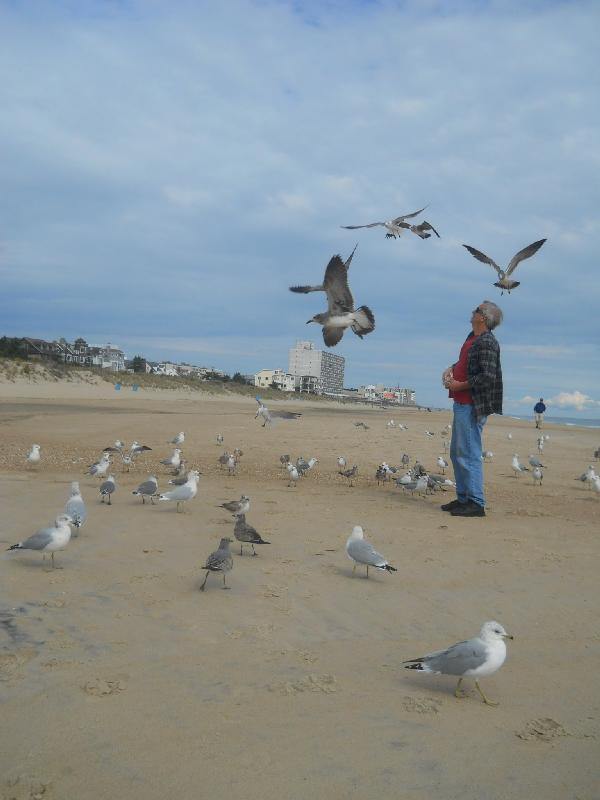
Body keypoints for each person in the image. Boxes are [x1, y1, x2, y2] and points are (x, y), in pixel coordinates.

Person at [441, 301, 503, 517]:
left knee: (469, 453)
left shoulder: (487, 342)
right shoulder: (472, 337)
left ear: (483, 318)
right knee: (457, 452)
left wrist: (460, 384)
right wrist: (451, 370)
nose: (473, 310)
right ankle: (463, 498)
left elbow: (487, 376)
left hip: (472, 404)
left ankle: (476, 503)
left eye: (477, 309)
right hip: (461, 401)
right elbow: (465, 363)